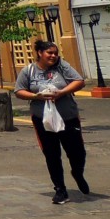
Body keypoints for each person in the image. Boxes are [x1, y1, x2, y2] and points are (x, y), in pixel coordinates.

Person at [14, 40, 88, 205]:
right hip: (43, 120)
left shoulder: (62, 67)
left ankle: (77, 172)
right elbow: (19, 91)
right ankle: (60, 189)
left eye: (55, 53)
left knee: (77, 152)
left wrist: (61, 93)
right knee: (52, 154)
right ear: (40, 53)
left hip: (68, 117)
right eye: (50, 53)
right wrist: (36, 96)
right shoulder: (29, 71)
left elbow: (79, 81)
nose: (53, 56)